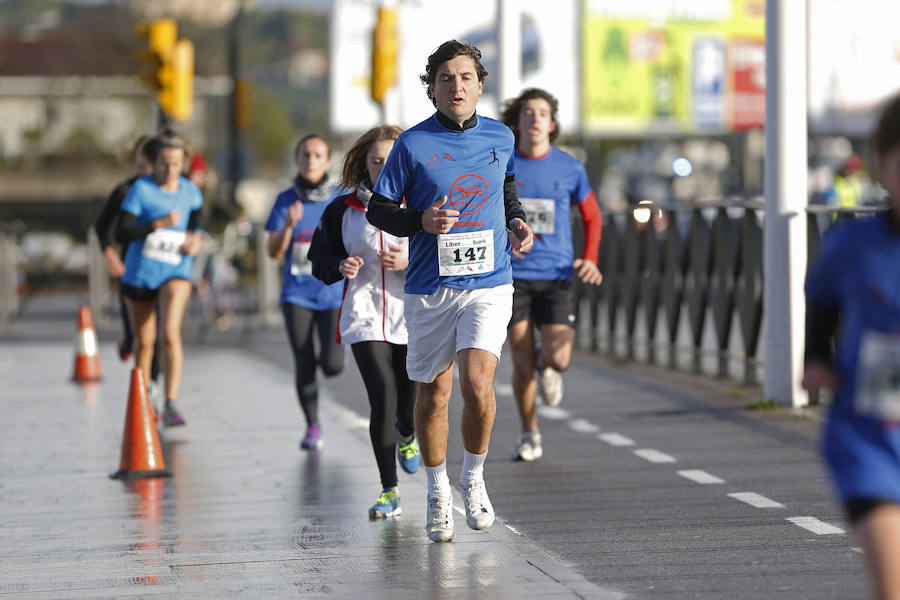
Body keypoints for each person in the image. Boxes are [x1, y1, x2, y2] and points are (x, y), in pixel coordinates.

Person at [367, 40, 534, 542]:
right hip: (429, 287)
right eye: (445, 78)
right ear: (432, 88)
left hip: (489, 280)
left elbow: (505, 186)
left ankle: (475, 478)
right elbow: (378, 209)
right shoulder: (412, 145)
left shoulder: (501, 136)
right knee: (435, 394)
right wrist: (420, 219)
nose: (455, 86)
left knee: (478, 384)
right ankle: (439, 492)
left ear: (480, 85)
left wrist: (517, 219)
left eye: (465, 77)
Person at [803, 92, 900, 600]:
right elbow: (821, 302)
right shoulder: (852, 245)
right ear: (882, 168)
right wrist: (815, 359)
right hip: (872, 439)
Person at [308, 124, 421, 519]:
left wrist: (410, 261)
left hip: (411, 315)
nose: (382, 167)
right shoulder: (342, 210)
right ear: (364, 163)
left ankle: (407, 432)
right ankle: (388, 489)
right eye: (376, 160)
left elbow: (446, 256)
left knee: (407, 403)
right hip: (363, 313)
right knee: (382, 398)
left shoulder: (420, 205)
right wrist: (340, 265)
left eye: (390, 160)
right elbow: (319, 262)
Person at [498, 88, 603, 462]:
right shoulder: (504, 163)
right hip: (514, 275)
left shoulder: (570, 167)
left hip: (557, 274)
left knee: (559, 359)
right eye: (529, 112)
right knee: (521, 365)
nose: (536, 118)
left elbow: (592, 215)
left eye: (543, 112)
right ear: (519, 121)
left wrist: (590, 258)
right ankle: (530, 434)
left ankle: (548, 363)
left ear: (553, 123)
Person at [115, 130, 204, 426]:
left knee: (169, 333)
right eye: (164, 164)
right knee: (145, 342)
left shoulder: (191, 191)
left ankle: (171, 403)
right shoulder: (140, 190)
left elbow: (197, 225)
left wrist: (196, 240)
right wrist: (157, 224)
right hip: (141, 272)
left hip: (175, 269)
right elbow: (122, 232)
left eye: (176, 164)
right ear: (153, 163)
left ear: (184, 164)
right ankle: (145, 396)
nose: (170, 170)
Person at [265, 134, 344, 451]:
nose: (310, 161)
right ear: (297, 160)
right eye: (305, 155)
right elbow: (272, 252)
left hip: (333, 294)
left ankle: (337, 357)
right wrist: (287, 226)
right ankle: (312, 425)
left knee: (332, 365)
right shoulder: (285, 201)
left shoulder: (340, 198)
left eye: (317, 155)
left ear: (327, 161)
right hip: (296, 294)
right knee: (304, 361)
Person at [94, 135, 159, 373]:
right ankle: (130, 346)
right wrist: (111, 257)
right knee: (138, 335)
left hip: (163, 268)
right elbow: (102, 226)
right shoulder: (125, 190)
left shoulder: (173, 188)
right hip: (132, 268)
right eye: (141, 159)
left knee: (161, 335)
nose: (146, 164)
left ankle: (154, 389)